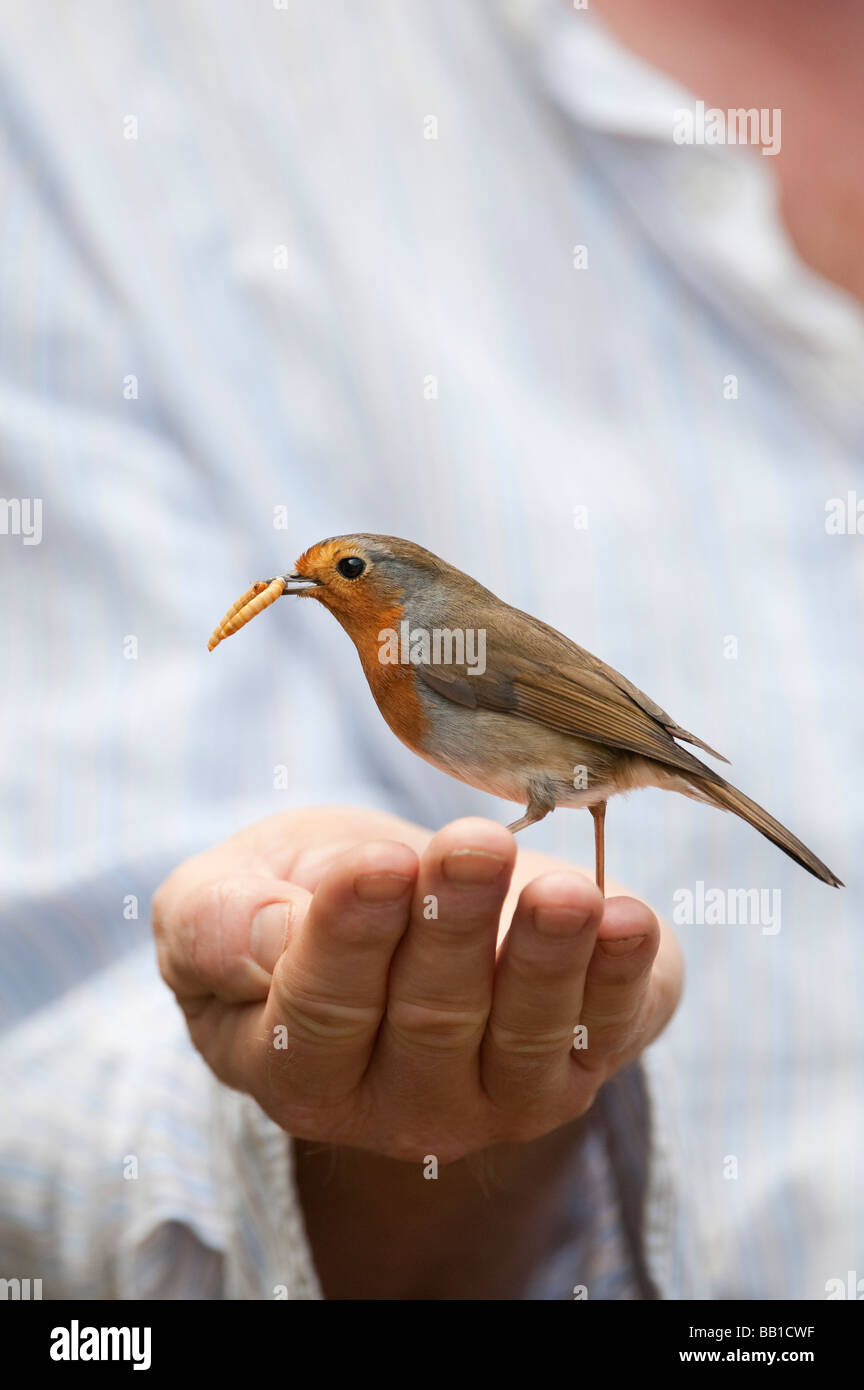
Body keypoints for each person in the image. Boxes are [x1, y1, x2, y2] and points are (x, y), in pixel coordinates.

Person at [0, 0, 859, 1300]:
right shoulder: (77, 77)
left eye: (342, 572)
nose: (321, 586)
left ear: (388, 585)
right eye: (321, 576)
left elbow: (575, 734)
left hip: (599, 737)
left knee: (558, 803)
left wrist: (642, 771)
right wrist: (411, 1014)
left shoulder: (435, 644)